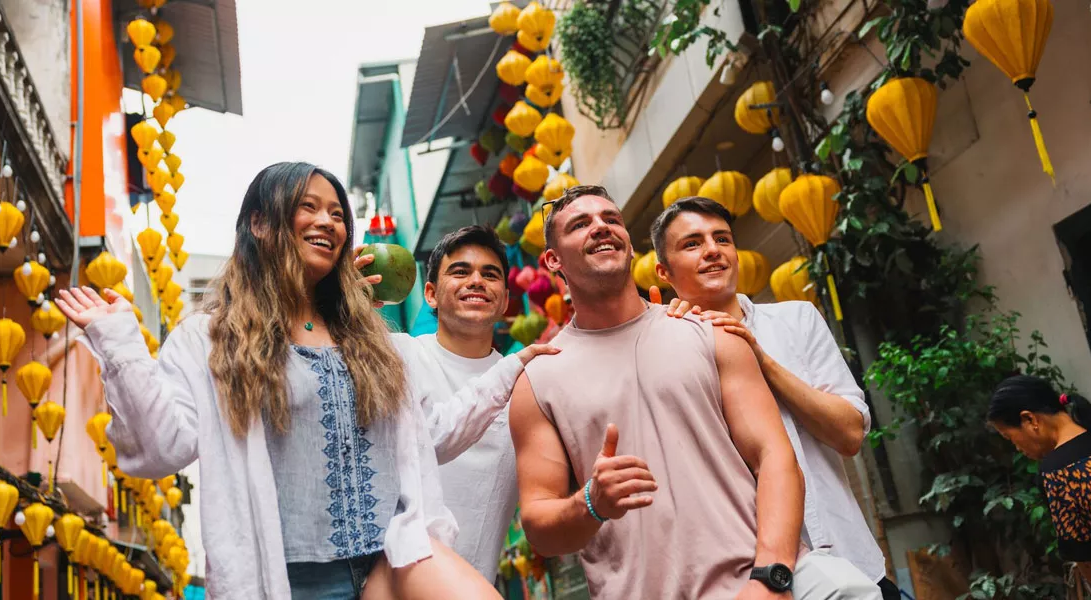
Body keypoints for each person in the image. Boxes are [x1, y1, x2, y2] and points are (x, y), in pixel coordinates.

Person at [56, 163, 542, 600]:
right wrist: (119, 344)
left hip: (388, 562)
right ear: (260, 224)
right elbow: (158, 447)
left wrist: (512, 366)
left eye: (336, 214)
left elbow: (432, 434)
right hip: (290, 581)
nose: (327, 221)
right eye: (307, 207)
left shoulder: (373, 340)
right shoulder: (210, 338)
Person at [508, 185, 881, 599]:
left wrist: (771, 578)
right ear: (553, 260)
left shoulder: (709, 332)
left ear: (630, 247)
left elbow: (775, 456)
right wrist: (591, 503)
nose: (601, 228)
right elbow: (540, 526)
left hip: (756, 585)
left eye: (611, 219)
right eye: (581, 224)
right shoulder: (537, 379)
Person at [649, 196, 896, 598]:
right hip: (749, 582)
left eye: (722, 239)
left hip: (851, 564)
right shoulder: (665, 352)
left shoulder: (796, 320)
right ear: (663, 271)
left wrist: (759, 360)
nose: (713, 250)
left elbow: (850, 434)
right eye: (692, 243)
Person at [371, 225, 535, 583]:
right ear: (430, 294)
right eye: (460, 271)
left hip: (477, 585)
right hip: (393, 585)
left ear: (505, 300)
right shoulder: (398, 357)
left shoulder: (526, 386)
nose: (476, 281)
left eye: (489, 274)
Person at [988, 375, 1091, 599]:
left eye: (1010, 438)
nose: (1017, 447)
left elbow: (1087, 560)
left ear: (1030, 419)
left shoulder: (1057, 471)